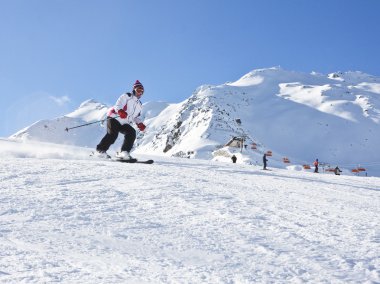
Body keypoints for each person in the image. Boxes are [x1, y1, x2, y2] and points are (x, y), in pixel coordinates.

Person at [96, 80, 146, 160]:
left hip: (125, 122)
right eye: (138, 90)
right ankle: (100, 151)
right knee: (113, 134)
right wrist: (120, 111)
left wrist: (140, 124)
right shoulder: (127, 96)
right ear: (134, 89)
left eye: (142, 91)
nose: (140, 92)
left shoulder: (139, 104)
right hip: (114, 117)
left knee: (131, 132)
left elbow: (136, 117)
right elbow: (118, 105)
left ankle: (124, 152)